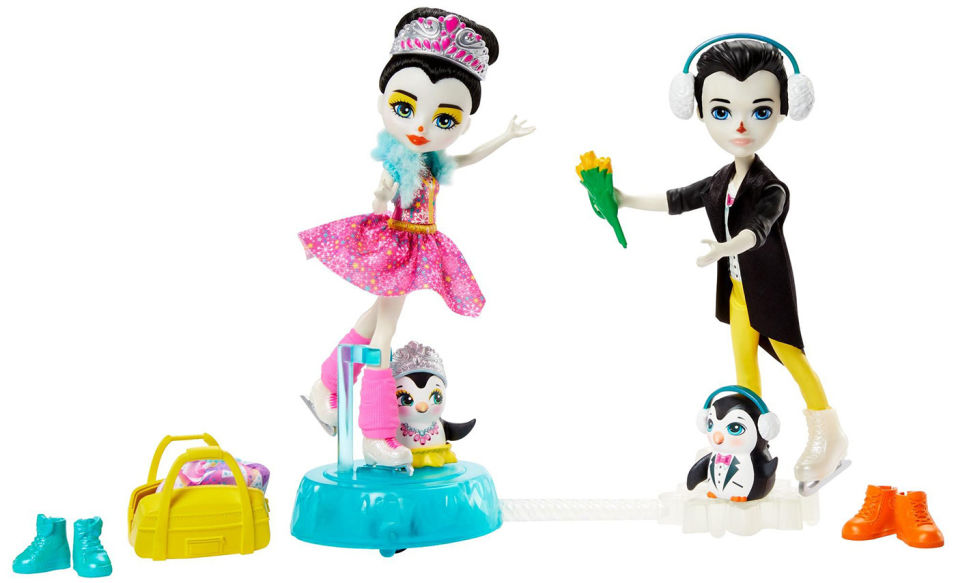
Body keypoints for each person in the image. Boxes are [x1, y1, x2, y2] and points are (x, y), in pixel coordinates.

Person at [299, 8, 534, 469]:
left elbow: (469, 158)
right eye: (405, 109)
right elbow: (380, 202)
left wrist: (506, 136)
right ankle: (376, 434)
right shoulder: (397, 163)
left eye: (444, 118)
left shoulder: (433, 164)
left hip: (420, 245)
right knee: (384, 332)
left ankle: (324, 387)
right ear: (384, 101)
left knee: (374, 319)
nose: (421, 127)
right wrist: (380, 198)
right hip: (398, 245)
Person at [612, 36, 847, 493]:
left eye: (760, 111)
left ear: (784, 109)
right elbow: (678, 199)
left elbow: (759, 228)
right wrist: (623, 199)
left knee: (794, 359)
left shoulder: (771, 187)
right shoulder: (722, 179)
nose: (740, 125)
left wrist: (726, 248)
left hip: (769, 292)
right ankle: (753, 440)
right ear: (698, 110)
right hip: (739, 295)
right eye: (722, 112)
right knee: (745, 369)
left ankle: (829, 434)